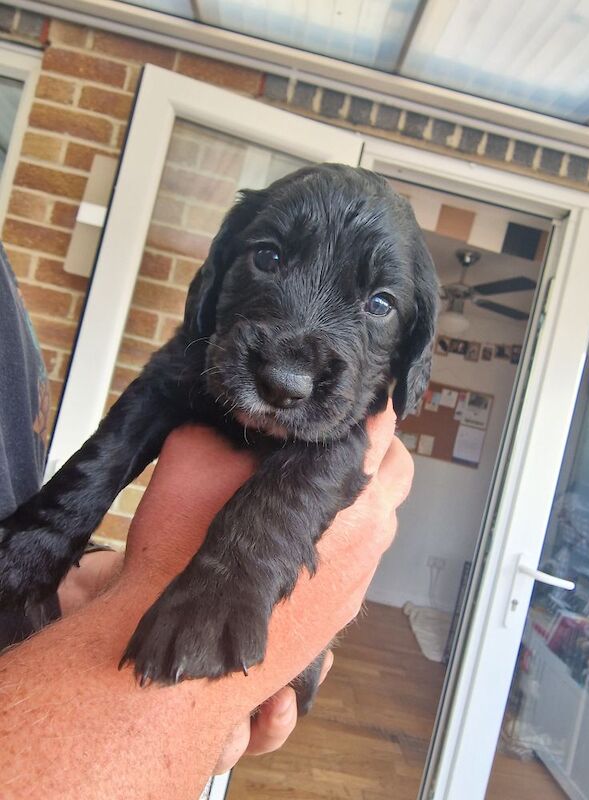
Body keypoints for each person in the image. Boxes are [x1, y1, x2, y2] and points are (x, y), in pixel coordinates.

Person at [0, 243, 413, 798]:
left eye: (380, 303)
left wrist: (88, 581)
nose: (288, 374)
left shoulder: (350, 416)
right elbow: (145, 410)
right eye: (267, 258)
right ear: (215, 272)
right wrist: (49, 534)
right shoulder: (195, 360)